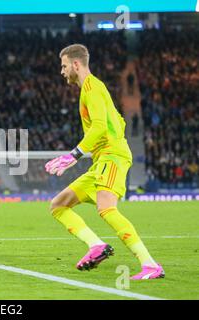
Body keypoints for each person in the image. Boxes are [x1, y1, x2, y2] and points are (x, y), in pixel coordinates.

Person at [45, 44, 164, 280]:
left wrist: (74, 155)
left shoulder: (92, 87)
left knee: (106, 208)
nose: (62, 71)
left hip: (112, 156)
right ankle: (96, 246)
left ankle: (150, 264)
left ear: (76, 64)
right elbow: (118, 121)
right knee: (58, 205)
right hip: (101, 160)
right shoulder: (91, 89)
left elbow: (100, 126)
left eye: (64, 66)